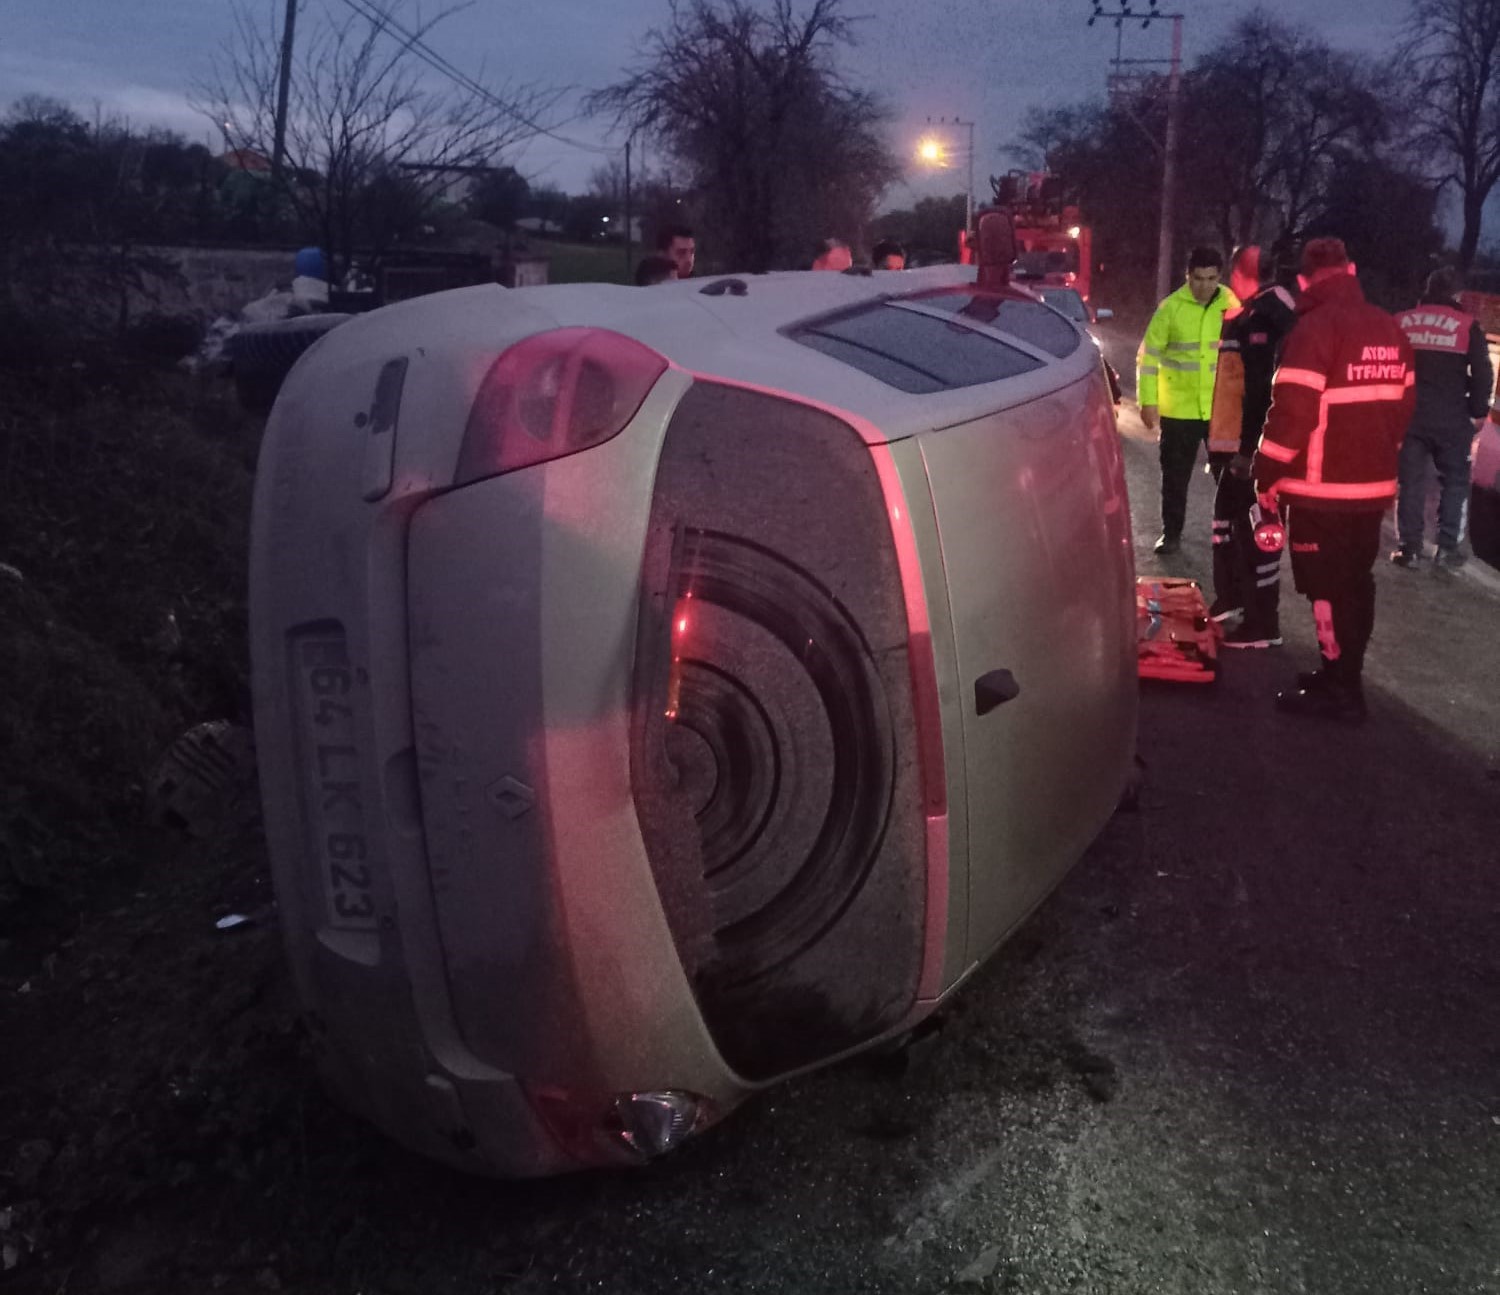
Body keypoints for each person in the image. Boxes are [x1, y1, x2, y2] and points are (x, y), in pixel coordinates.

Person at [1252, 238, 1416, 722]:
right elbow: (1403, 408)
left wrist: (1267, 471)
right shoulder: (1390, 328)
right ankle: (1343, 677)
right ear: (1352, 269)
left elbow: (1292, 414)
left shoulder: (1314, 329)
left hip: (1320, 493)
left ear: (1303, 281)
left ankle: (1339, 692)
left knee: (1324, 590)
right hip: (1371, 492)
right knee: (1355, 586)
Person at [1206, 245, 1298, 648]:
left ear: (1241, 273)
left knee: (1260, 532)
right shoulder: (1257, 312)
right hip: (1237, 446)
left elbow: (1262, 392)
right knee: (1227, 522)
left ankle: (1263, 623)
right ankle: (1233, 597)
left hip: (1255, 450)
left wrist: (1248, 451)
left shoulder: (1268, 317)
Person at [1137, 247, 1241, 555]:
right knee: (1174, 477)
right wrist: (1148, 401)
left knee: (1229, 477)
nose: (1204, 286)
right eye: (1198, 278)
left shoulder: (1232, 306)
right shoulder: (1170, 309)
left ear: (1219, 277)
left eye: (1211, 278)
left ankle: (1232, 534)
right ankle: (1171, 534)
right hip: (1179, 410)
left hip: (1219, 409)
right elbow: (1149, 358)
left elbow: (1242, 357)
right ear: (1188, 276)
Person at [1391, 265, 1493, 571]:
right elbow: (1483, 372)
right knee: (1456, 483)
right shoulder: (1466, 325)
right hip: (1452, 418)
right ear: (1456, 294)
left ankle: (1409, 550)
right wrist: (1476, 412)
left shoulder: (1403, 321)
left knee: (1410, 483)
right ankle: (1447, 550)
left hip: (1408, 416)